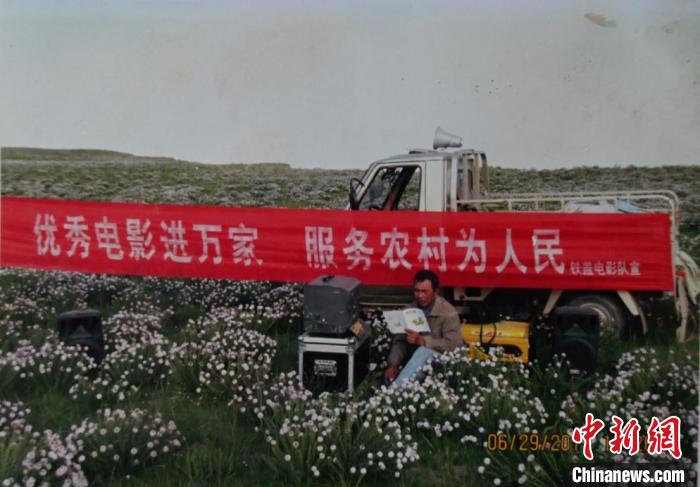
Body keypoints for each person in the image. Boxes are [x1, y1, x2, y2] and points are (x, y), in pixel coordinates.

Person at [384, 269, 462, 384]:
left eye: (425, 292)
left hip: (441, 362)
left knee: (423, 352)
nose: (420, 296)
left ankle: (398, 389)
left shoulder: (448, 313)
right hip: (414, 362)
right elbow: (400, 341)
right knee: (391, 373)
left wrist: (423, 341)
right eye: (417, 291)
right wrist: (393, 364)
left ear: (435, 292)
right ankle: (394, 385)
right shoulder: (409, 310)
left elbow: (453, 345)